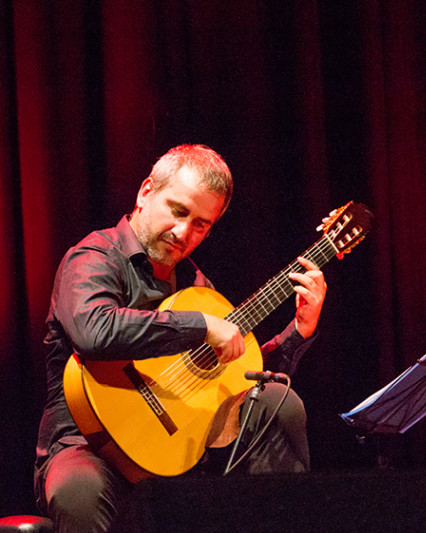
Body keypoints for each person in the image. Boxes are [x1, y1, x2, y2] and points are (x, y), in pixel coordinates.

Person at [34, 144, 327, 533]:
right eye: (178, 210)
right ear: (145, 192)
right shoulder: (94, 258)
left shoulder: (195, 284)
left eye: (201, 224)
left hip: (174, 451)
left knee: (276, 403)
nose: (183, 232)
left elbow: (236, 384)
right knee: (79, 489)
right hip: (88, 445)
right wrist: (201, 326)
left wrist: (298, 331)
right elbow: (95, 330)